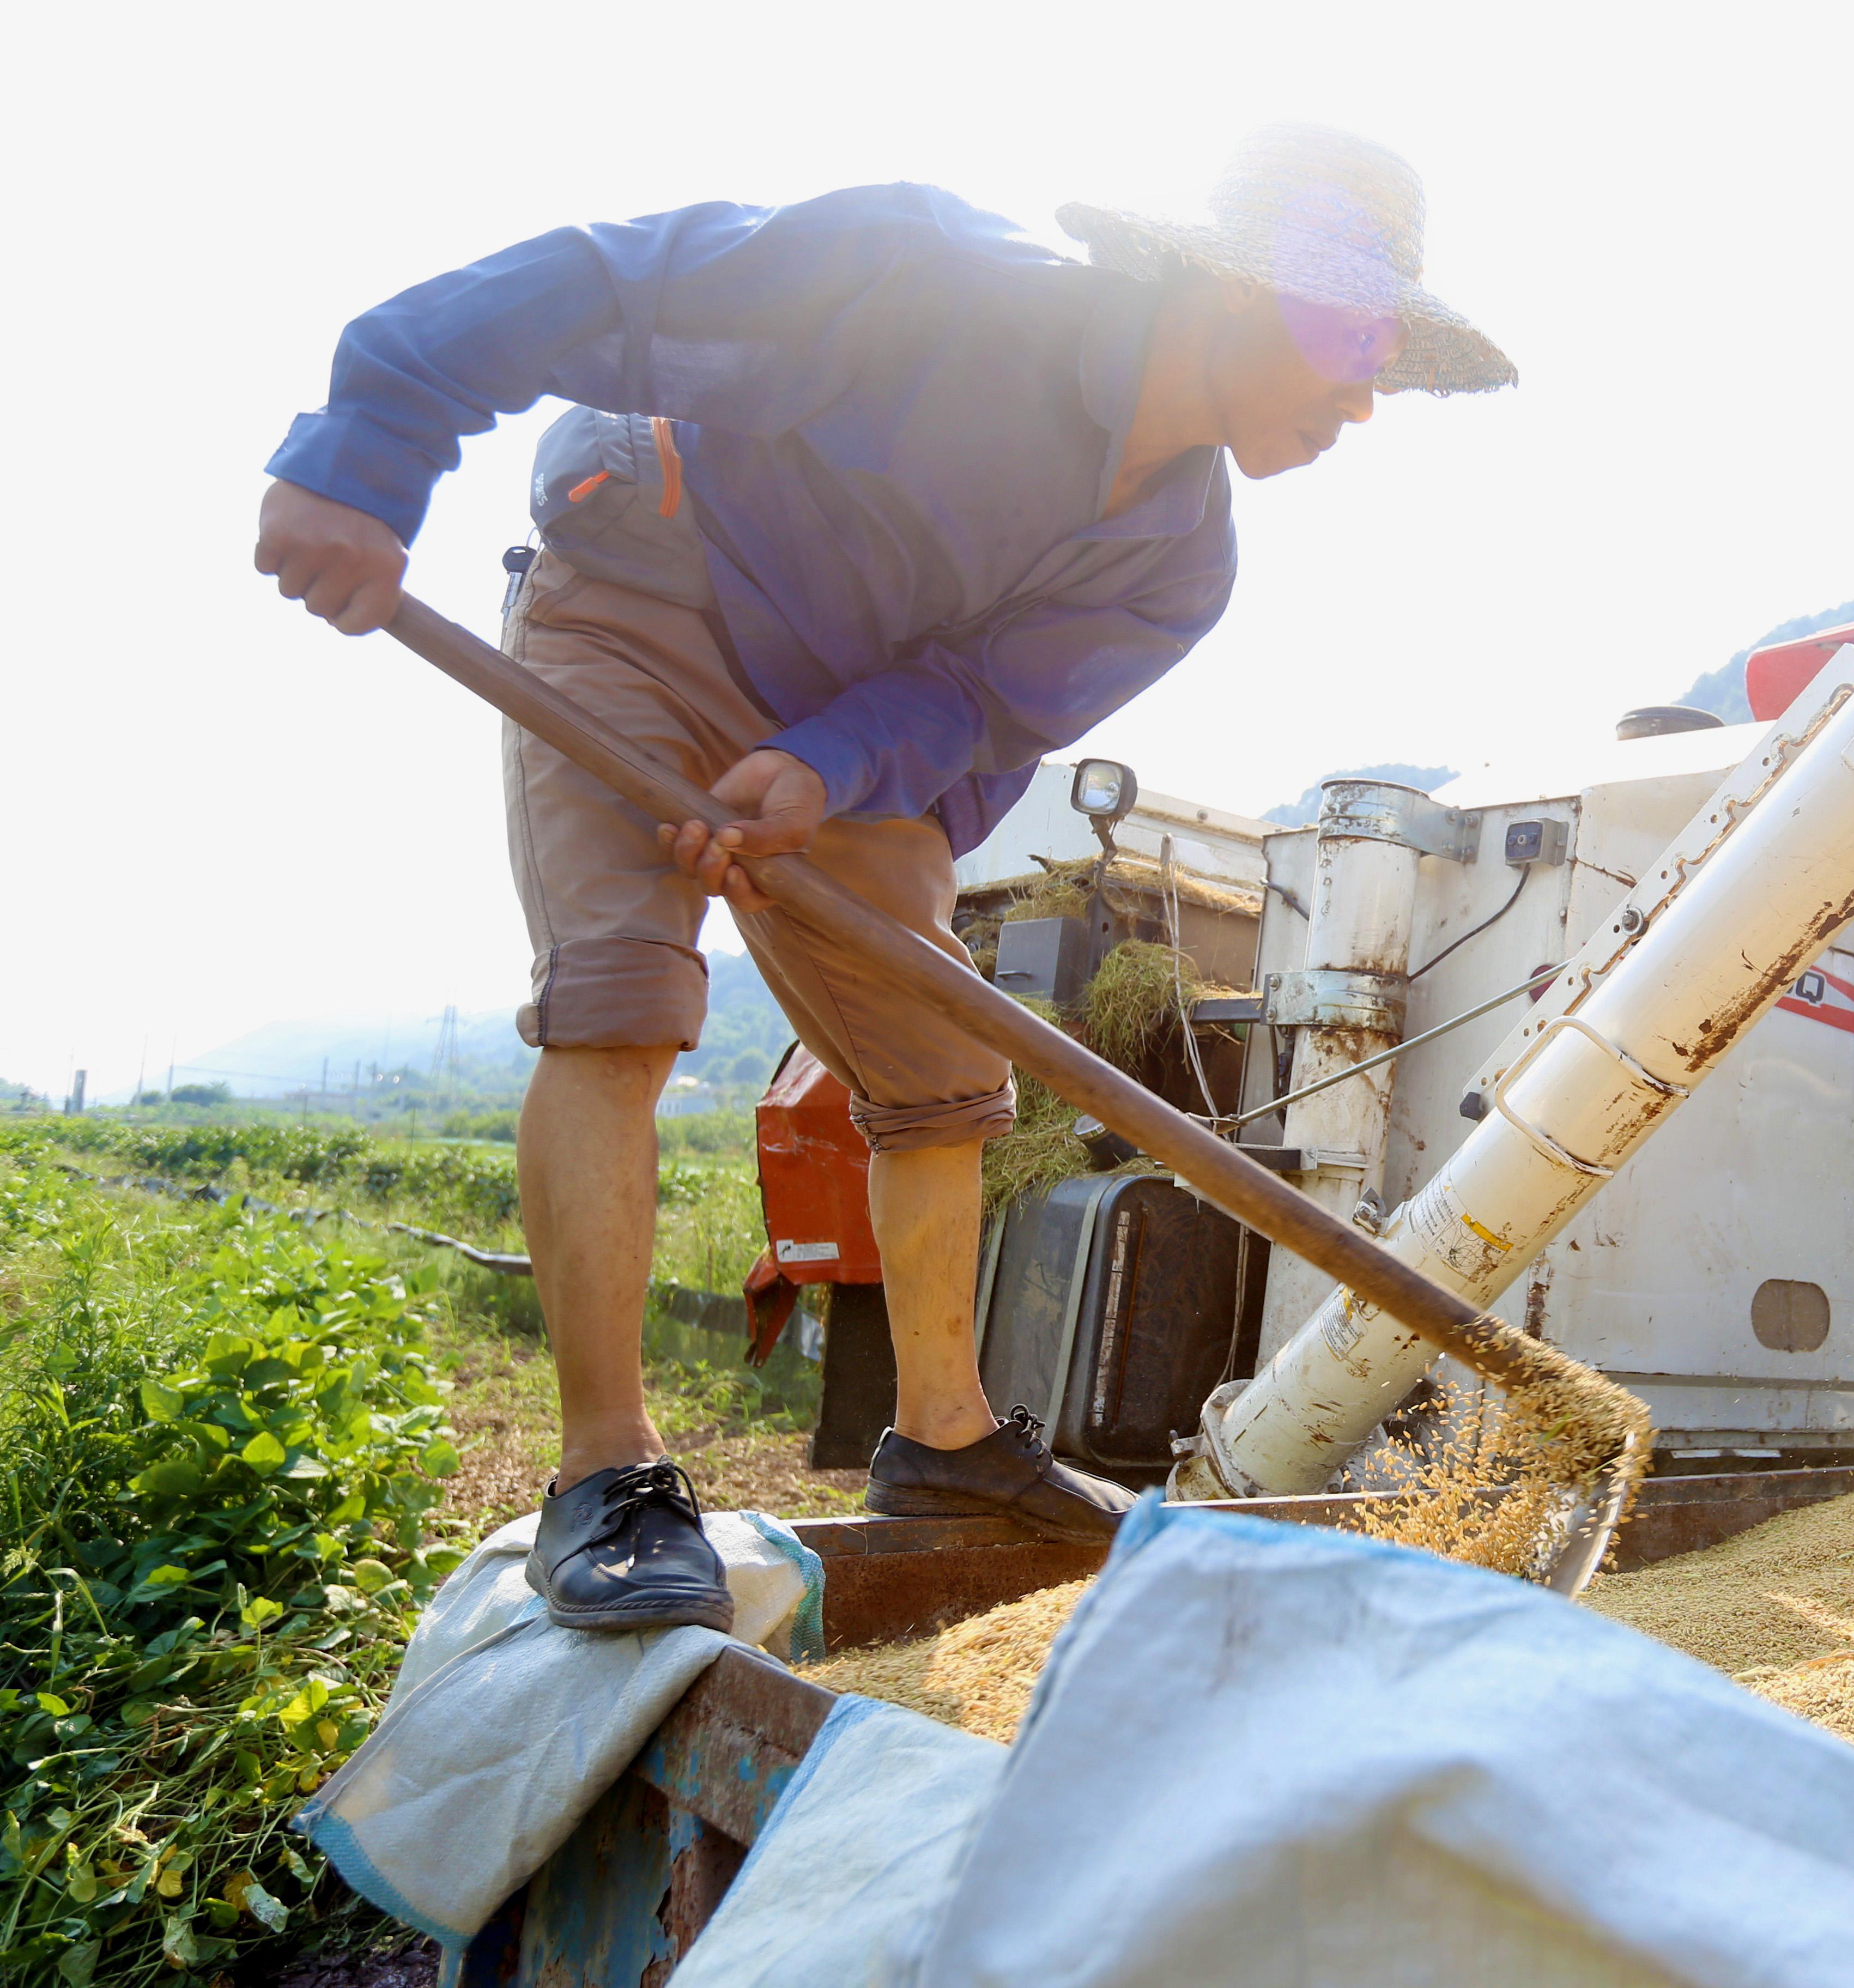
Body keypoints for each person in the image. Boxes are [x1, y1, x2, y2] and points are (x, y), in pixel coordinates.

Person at [252, 127, 1516, 1633]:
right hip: (644, 608)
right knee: (624, 996)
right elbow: (607, 285)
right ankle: (605, 1473)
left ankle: (947, 1440)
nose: (1366, 397)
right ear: (1235, 294)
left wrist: (829, 767)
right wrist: (365, 451)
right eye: (1353, 341)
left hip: (835, 731)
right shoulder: (929, 282)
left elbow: (977, 706)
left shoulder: (1178, 561)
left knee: (943, 1064)